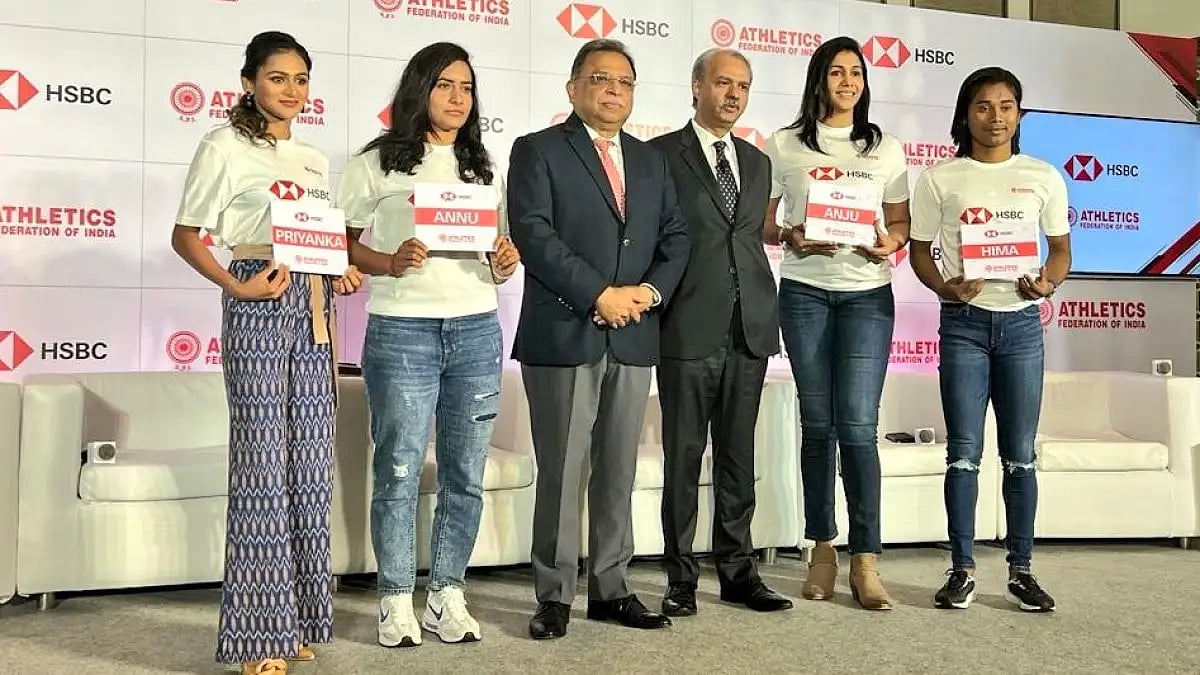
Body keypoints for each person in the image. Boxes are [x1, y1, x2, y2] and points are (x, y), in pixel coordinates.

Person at [171, 31, 362, 675]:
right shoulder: (221, 145)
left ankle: (298, 623)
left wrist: (339, 270)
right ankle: (257, 638)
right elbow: (187, 234)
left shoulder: (311, 158)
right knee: (261, 469)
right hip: (255, 301)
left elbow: (318, 237)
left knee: (309, 467)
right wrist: (235, 284)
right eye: (278, 77)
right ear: (249, 80)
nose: (292, 90)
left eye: (302, 79)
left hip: (314, 313)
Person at [337, 42, 521, 648]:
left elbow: (497, 258)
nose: (457, 98)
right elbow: (340, 243)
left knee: (466, 471)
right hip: (402, 330)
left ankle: (447, 593)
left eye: (467, 88)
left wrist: (503, 261)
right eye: (445, 85)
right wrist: (387, 261)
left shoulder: (485, 166)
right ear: (419, 90)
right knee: (398, 468)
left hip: (475, 328)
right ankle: (394, 599)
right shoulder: (376, 163)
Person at [507, 38, 690, 640]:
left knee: (618, 470)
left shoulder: (650, 160)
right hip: (565, 332)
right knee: (562, 471)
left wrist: (647, 294)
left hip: (635, 335)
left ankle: (611, 587)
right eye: (601, 79)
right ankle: (555, 594)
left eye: (624, 82)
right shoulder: (537, 151)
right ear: (573, 88)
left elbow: (675, 238)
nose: (613, 91)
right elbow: (534, 235)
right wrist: (598, 295)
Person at [909, 66, 1070, 613]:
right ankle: (962, 569)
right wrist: (946, 287)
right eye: (983, 106)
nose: (995, 117)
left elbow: (1061, 251)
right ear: (965, 115)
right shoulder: (939, 179)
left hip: (1023, 326)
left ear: (1019, 114)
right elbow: (919, 252)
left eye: (1006, 106)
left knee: (1021, 455)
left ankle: (1022, 570)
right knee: (963, 456)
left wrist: (1048, 282)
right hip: (964, 326)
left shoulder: (1044, 176)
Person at [762, 36, 910, 611]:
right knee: (818, 424)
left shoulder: (886, 149)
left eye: (856, 72)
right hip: (804, 293)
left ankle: (866, 560)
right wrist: (792, 236)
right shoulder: (784, 145)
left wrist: (889, 243)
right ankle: (822, 549)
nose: (847, 82)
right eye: (836, 72)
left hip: (868, 296)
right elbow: (764, 224)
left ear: (865, 83)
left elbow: (898, 221)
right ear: (818, 79)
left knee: (858, 426)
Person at [646, 48, 792, 617]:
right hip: (686, 324)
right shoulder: (659, 156)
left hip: (750, 326)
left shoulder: (756, 163)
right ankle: (680, 577)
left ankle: (738, 573)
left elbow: (756, 237)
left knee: (737, 456)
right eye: (723, 83)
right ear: (696, 86)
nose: (733, 94)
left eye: (744, 86)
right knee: (683, 457)